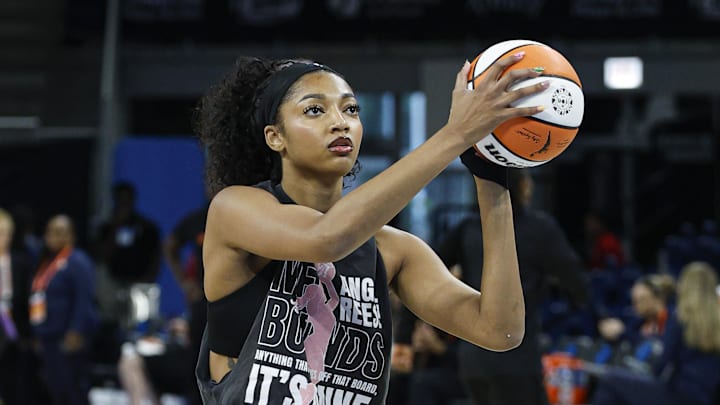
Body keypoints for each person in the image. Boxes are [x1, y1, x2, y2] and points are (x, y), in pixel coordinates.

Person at [192, 54, 549, 404]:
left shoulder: (393, 251)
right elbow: (326, 239)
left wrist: (492, 175)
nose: (340, 122)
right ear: (275, 137)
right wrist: (455, 134)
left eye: (350, 109)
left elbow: (500, 330)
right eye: (315, 110)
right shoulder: (235, 209)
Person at [432, 169, 590, 405]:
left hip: (474, 360)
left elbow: (431, 267)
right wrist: (580, 303)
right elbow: (575, 281)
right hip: (517, 357)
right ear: (524, 186)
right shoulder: (541, 228)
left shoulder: (467, 227)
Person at [591, 261, 720, 405]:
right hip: (705, 399)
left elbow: (662, 363)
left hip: (679, 396)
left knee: (610, 378)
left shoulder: (682, 319)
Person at [31, 215, 98, 405]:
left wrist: (76, 331)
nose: (52, 237)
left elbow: (84, 299)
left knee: (72, 389)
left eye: (58, 233)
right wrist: (38, 332)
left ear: (71, 236)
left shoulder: (77, 261)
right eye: (50, 232)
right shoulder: (46, 262)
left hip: (67, 338)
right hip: (49, 335)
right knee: (55, 388)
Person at [163, 203, 208, 404]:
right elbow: (170, 245)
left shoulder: (247, 214)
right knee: (197, 362)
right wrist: (185, 283)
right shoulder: (200, 217)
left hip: (233, 304)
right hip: (202, 304)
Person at [118, 316, 195, 405]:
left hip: (192, 368)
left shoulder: (203, 307)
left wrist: (186, 327)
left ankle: (137, 401)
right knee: (135, 363)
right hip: (190, 362)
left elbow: (200, 332)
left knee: (130, 363)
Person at [0, 208, 34, 405]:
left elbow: (26, 300)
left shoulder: (20, 262)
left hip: (13, 327)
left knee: (12, 379)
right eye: (1, 233)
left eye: (7, 234)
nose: (4, 238)